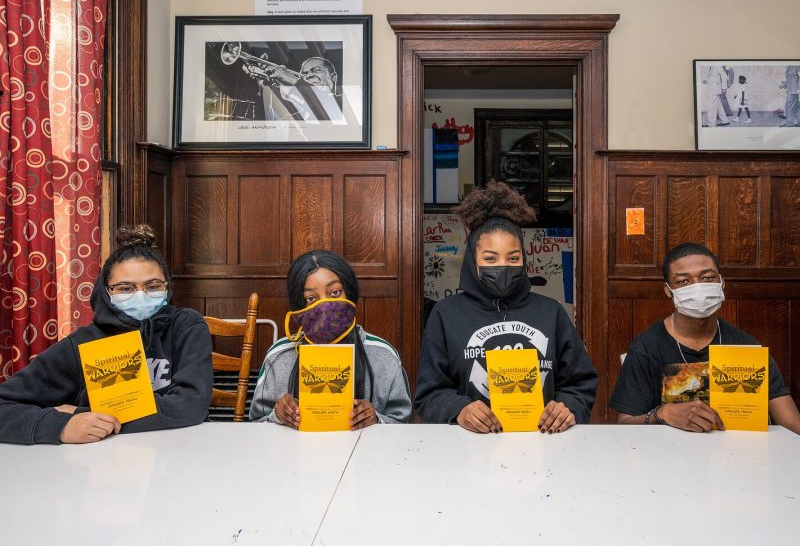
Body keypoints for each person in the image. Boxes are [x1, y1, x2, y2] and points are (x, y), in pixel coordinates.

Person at [0, 225, 213, 445]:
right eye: (125, 288)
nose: (141, 295)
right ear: (106, 291)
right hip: (107, 458)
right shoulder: (82, 344)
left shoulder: (186, 327)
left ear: (167, 287)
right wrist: (60, 426)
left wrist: (82, 414)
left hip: (181, 448)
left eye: (153, 286)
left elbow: (191, 405)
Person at [415, 181, 598, 434]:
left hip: (544, 443)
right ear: (472, 261)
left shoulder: (551, 313)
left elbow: (581, 383)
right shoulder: (446, 315)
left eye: (513, 258)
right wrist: (459, 409)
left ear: (524, 259)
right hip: (468, 446)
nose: (503, 266)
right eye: (490, 258)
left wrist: (568, 406)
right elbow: (429, 393)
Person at [610, 242, 800, 434]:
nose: (698, 288)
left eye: (707, 278)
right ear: (668, 290)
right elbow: (625, 424)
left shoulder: (745, 346)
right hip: (669, 451)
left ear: (721, 282)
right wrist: (662, 414)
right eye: (683, 281)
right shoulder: (646, 348)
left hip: (735, 450)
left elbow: (791, 423)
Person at [249, 250, 411, 428]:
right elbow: (256, 423)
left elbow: (403, 423)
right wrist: (277, 416)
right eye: (311, 298)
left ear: (349, 293)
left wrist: (376, 420)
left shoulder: (383, 354)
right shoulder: (279, 355)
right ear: (298, 306)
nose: (325, 306)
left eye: (334, 292)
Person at [244, 55, 344, 123]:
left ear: (333, 77)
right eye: (304, 74)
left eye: (316, 70)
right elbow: (264, 124)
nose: (308, 76)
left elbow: (327, 106)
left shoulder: (344, 101)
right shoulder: (297, 107)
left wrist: (288, 77)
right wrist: (263, 86)